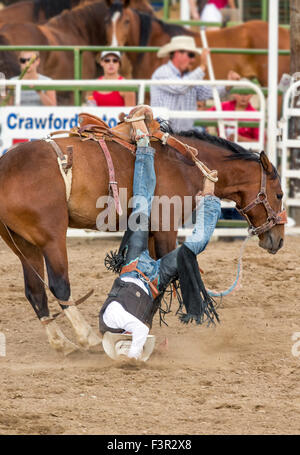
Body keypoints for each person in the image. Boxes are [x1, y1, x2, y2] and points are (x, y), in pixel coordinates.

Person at [99, 106, 221, 361]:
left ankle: (144, 145)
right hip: (154, 280)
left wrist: (134, 355)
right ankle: (209, 198)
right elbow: (143, 329)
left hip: (133, 265)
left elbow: (140, 329)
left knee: (142, 204)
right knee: (192, 248)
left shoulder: (110, 322)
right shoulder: (124, 325)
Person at [150, 35, 240, 133]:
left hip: (183, 135)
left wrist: (228, 84)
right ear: (177, 54)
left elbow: (210, 92)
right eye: (191, 55)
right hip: (162, 135)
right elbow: (180, 87)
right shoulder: (162, 72)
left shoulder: (190, 78)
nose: (193, 60)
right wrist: (202, 67)